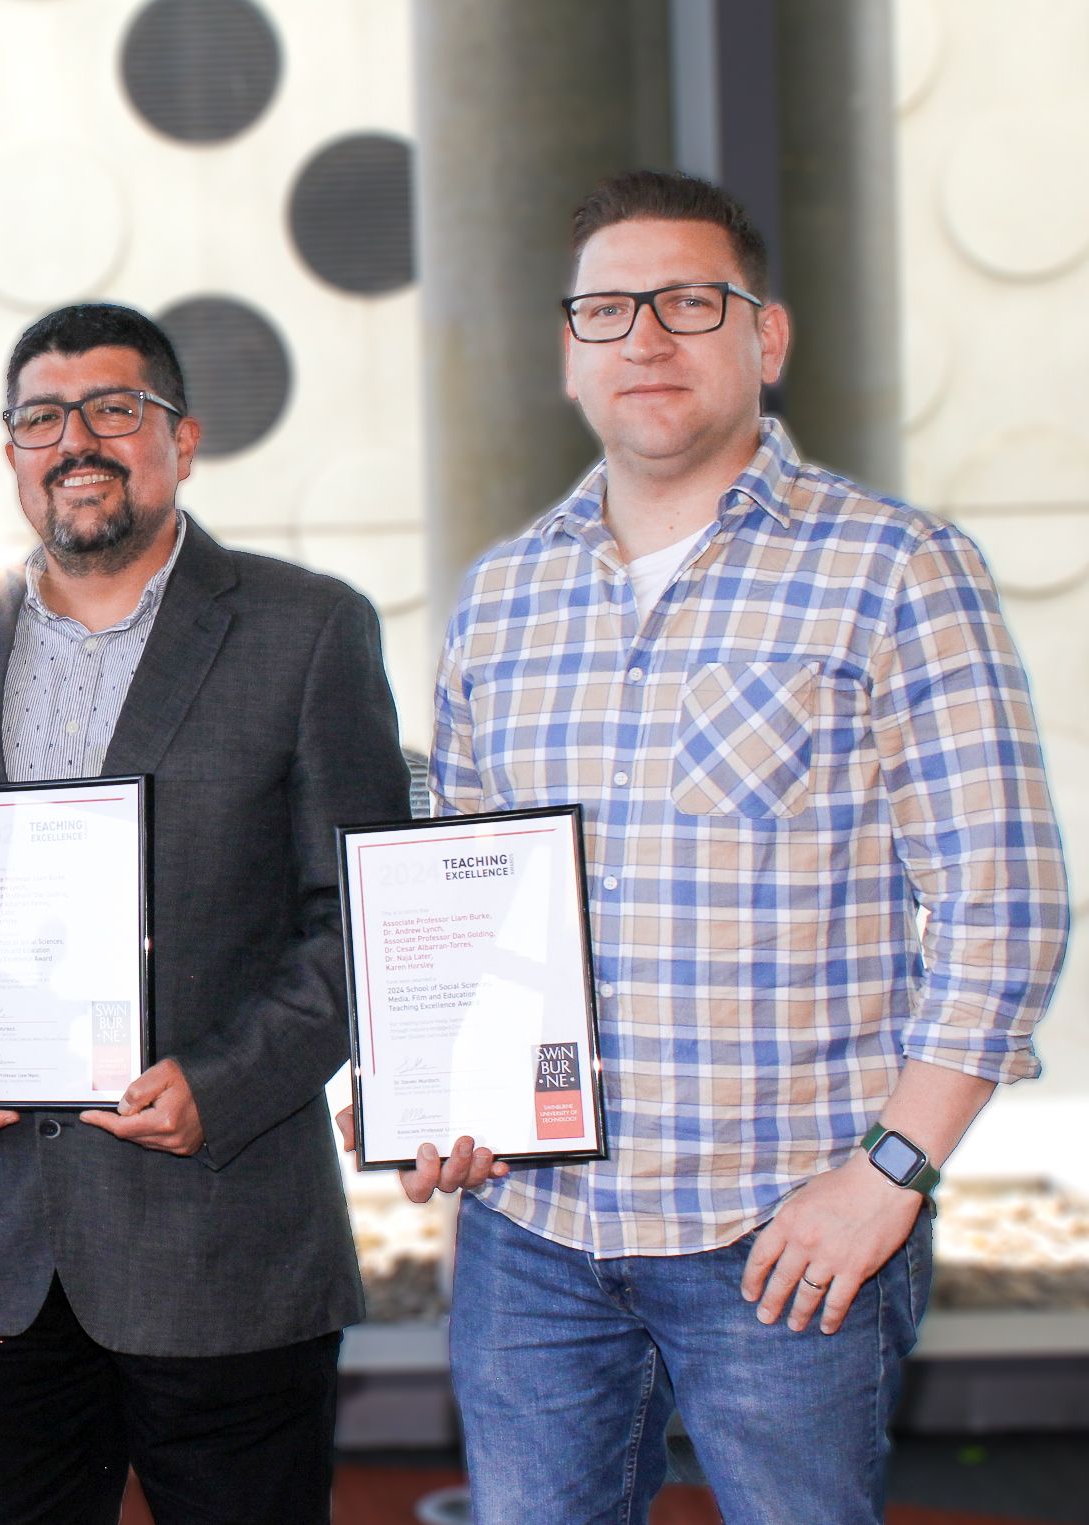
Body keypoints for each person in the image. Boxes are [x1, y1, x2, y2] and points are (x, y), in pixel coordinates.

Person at [404, 169, 1070, 1524]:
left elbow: (1007, 907)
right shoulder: (502, 596)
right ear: (567, 355)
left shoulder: (897, 569)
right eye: (607, 308)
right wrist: (435, 1093)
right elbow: (457, 879)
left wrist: (889, 1174)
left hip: (781, 1239)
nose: (645, 335)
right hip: (533, 1243)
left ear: (763, 341)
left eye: (688, 302)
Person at [0, 303, 411, 1524]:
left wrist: (224, 1080)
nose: (77, 442)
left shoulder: (308, 630)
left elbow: (355, 918)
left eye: (114, 410)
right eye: (42, 418)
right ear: (10, 452)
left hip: (223, 1244)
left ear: (182, 437)